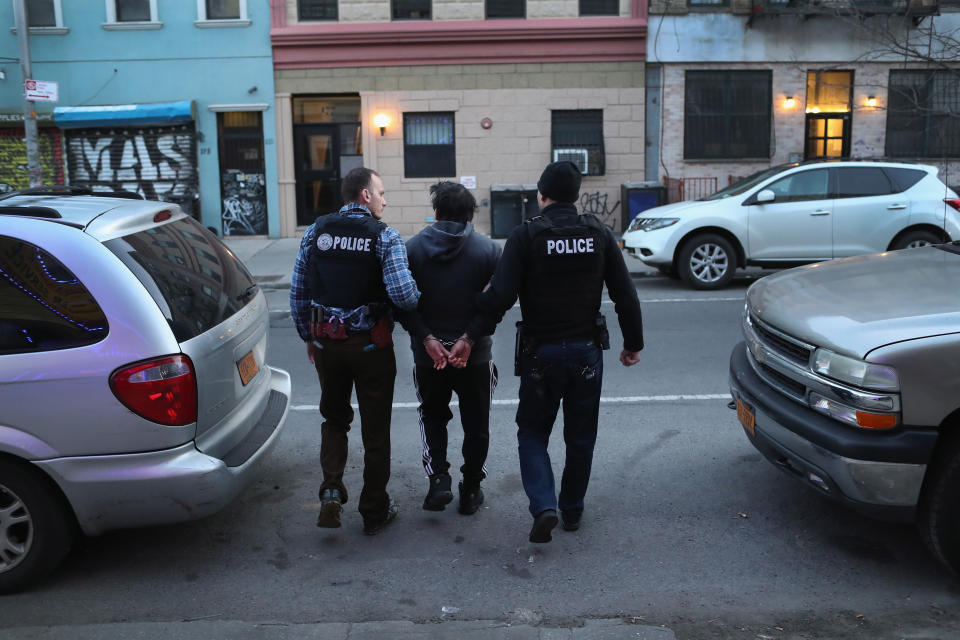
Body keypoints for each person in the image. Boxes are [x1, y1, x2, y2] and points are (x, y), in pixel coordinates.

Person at [475, 161, 644, 544]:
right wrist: (633, 344)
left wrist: (470, 327)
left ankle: (544, 505)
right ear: (576, 195)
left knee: (532, 432)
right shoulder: (597, 232)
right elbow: (625, 296)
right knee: (581, 436)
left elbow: (500, 296)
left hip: (541, 356)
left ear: (542, 195)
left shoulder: (526, 235)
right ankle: (572, 510)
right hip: (586, 354)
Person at [289, 167, 420, 536]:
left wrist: (308, 338)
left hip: (327, 344)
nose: (384, 199)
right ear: (365, 195)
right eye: (381, 193)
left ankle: (331, 488)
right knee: (376, 430)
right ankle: (374, 509)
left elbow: (299, 291)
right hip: (371, 347)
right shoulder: (385, 237)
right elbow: (404, 296)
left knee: (334, 418)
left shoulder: (316, 232)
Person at [400, 182, 502, 516]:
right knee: (477, 423)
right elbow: (495, 304)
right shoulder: (488, 251)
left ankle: (439, 480)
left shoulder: (411, 249)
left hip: (429, 357)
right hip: (474, 356)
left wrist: (427, 338)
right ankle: (471, 488)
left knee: (432, 415)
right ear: (470, 214)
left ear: (437, 212)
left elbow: (400, 304)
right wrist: (469, 339)